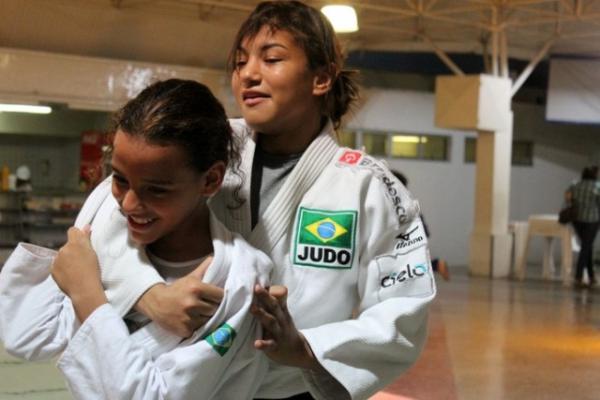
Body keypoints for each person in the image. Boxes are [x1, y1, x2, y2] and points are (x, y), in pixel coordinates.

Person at [96, 3, 435, 399]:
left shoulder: (368, 186)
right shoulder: (200, 144)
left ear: (321, 78)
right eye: (240, 63)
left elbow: (404, 309)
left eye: (271, 59)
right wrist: (148, 294)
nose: (248, 75)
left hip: (291, 390)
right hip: (186, 382)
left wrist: (307, 348)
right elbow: (106, 222)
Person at [0, 79, 274, 399]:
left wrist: (87, 293)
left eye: (157, 189)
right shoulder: (105, 217)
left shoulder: (238, 280)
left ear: (211, 179)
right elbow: (30, 336)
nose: (128, 203)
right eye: (119, 179)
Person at [391, 170, 450, 281]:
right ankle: (436, 265)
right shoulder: (405, 199)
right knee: (406, 263)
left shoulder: (396, 201)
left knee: (404, 263)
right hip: (415, 232)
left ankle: (436, 265)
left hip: (410, 234)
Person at [567, 166, 600, 288]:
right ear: (594, 175)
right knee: (586, 247)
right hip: (592, 220)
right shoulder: (597, 186)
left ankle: (591, 277)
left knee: (587, 246)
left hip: (577, 220)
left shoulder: (575, 185)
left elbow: (567, 198)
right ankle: (578, 276)